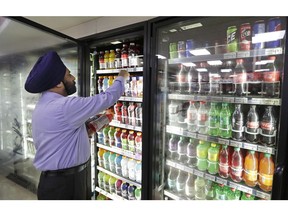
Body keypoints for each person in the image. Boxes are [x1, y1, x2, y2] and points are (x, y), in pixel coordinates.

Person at [24, 51, 129, 200]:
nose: (73, 78)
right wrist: (122, 77)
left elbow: (64, 135)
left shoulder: (43, 105)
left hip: (55, 183)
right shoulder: (64, 106)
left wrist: (99, 122)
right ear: (58, 83)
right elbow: (107, 98)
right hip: (65, 186)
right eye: (68, 74)